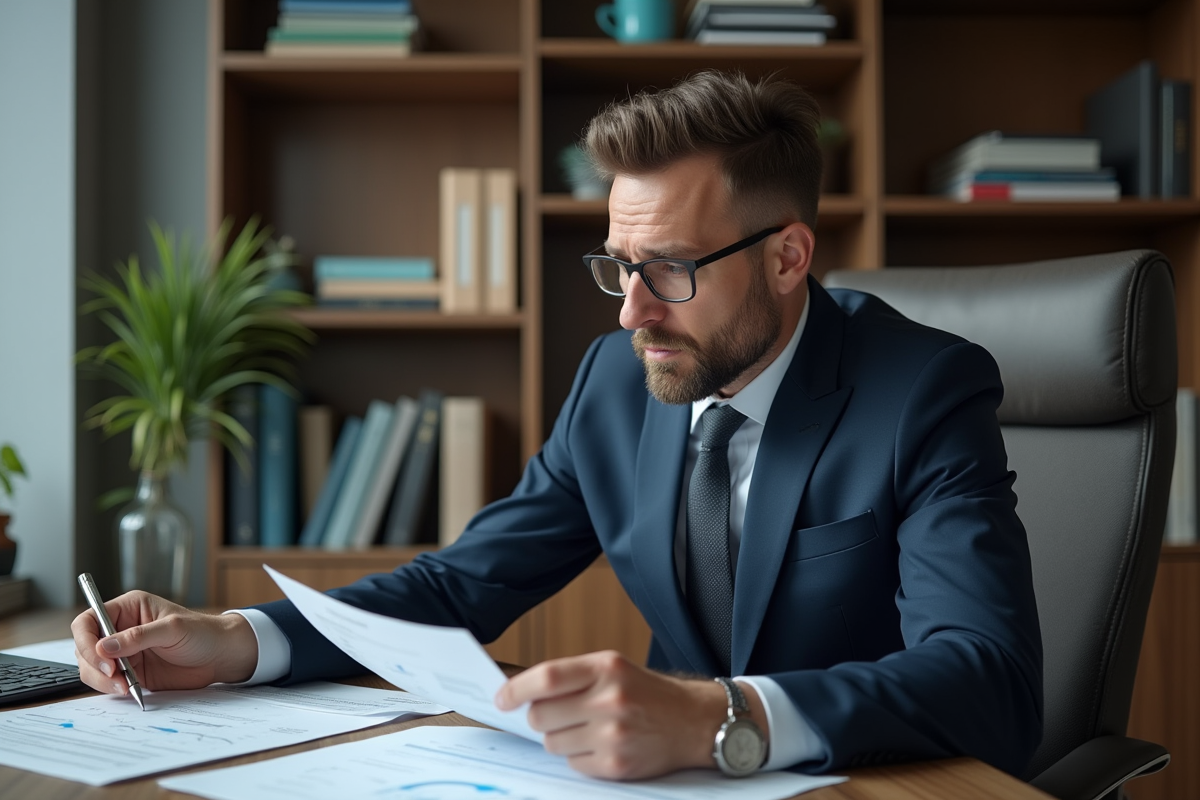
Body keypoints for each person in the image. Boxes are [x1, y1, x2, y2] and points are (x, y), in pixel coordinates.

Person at [72, 70, 1043, 782]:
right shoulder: (615, 386)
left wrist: (718, 715)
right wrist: (241, 638)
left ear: (789, 255)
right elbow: (465, 581)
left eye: (669, 268)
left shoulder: (924, 391)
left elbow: (986, 677)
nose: (630, 311)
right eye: (619, 264)